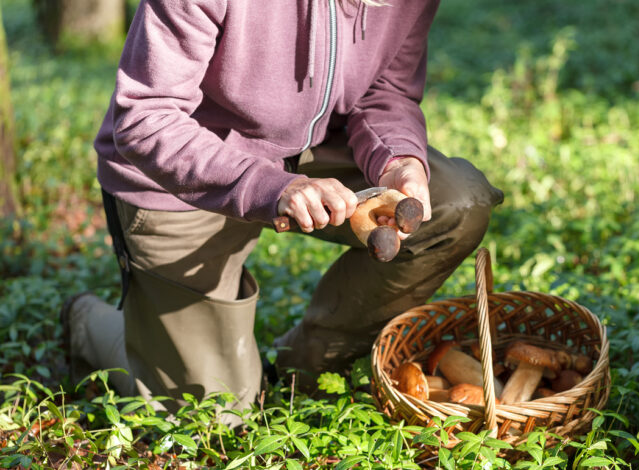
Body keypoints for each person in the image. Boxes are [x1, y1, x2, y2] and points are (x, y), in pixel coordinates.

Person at [61, 0, 503, 418]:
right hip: (179, 175)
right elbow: (145, 118)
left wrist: (398, 160)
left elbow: (385, 90)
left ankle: (304, 365)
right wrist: (267, 186)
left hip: (314, 148)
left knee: (456, 201)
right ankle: (89, 323)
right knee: (212, 416)